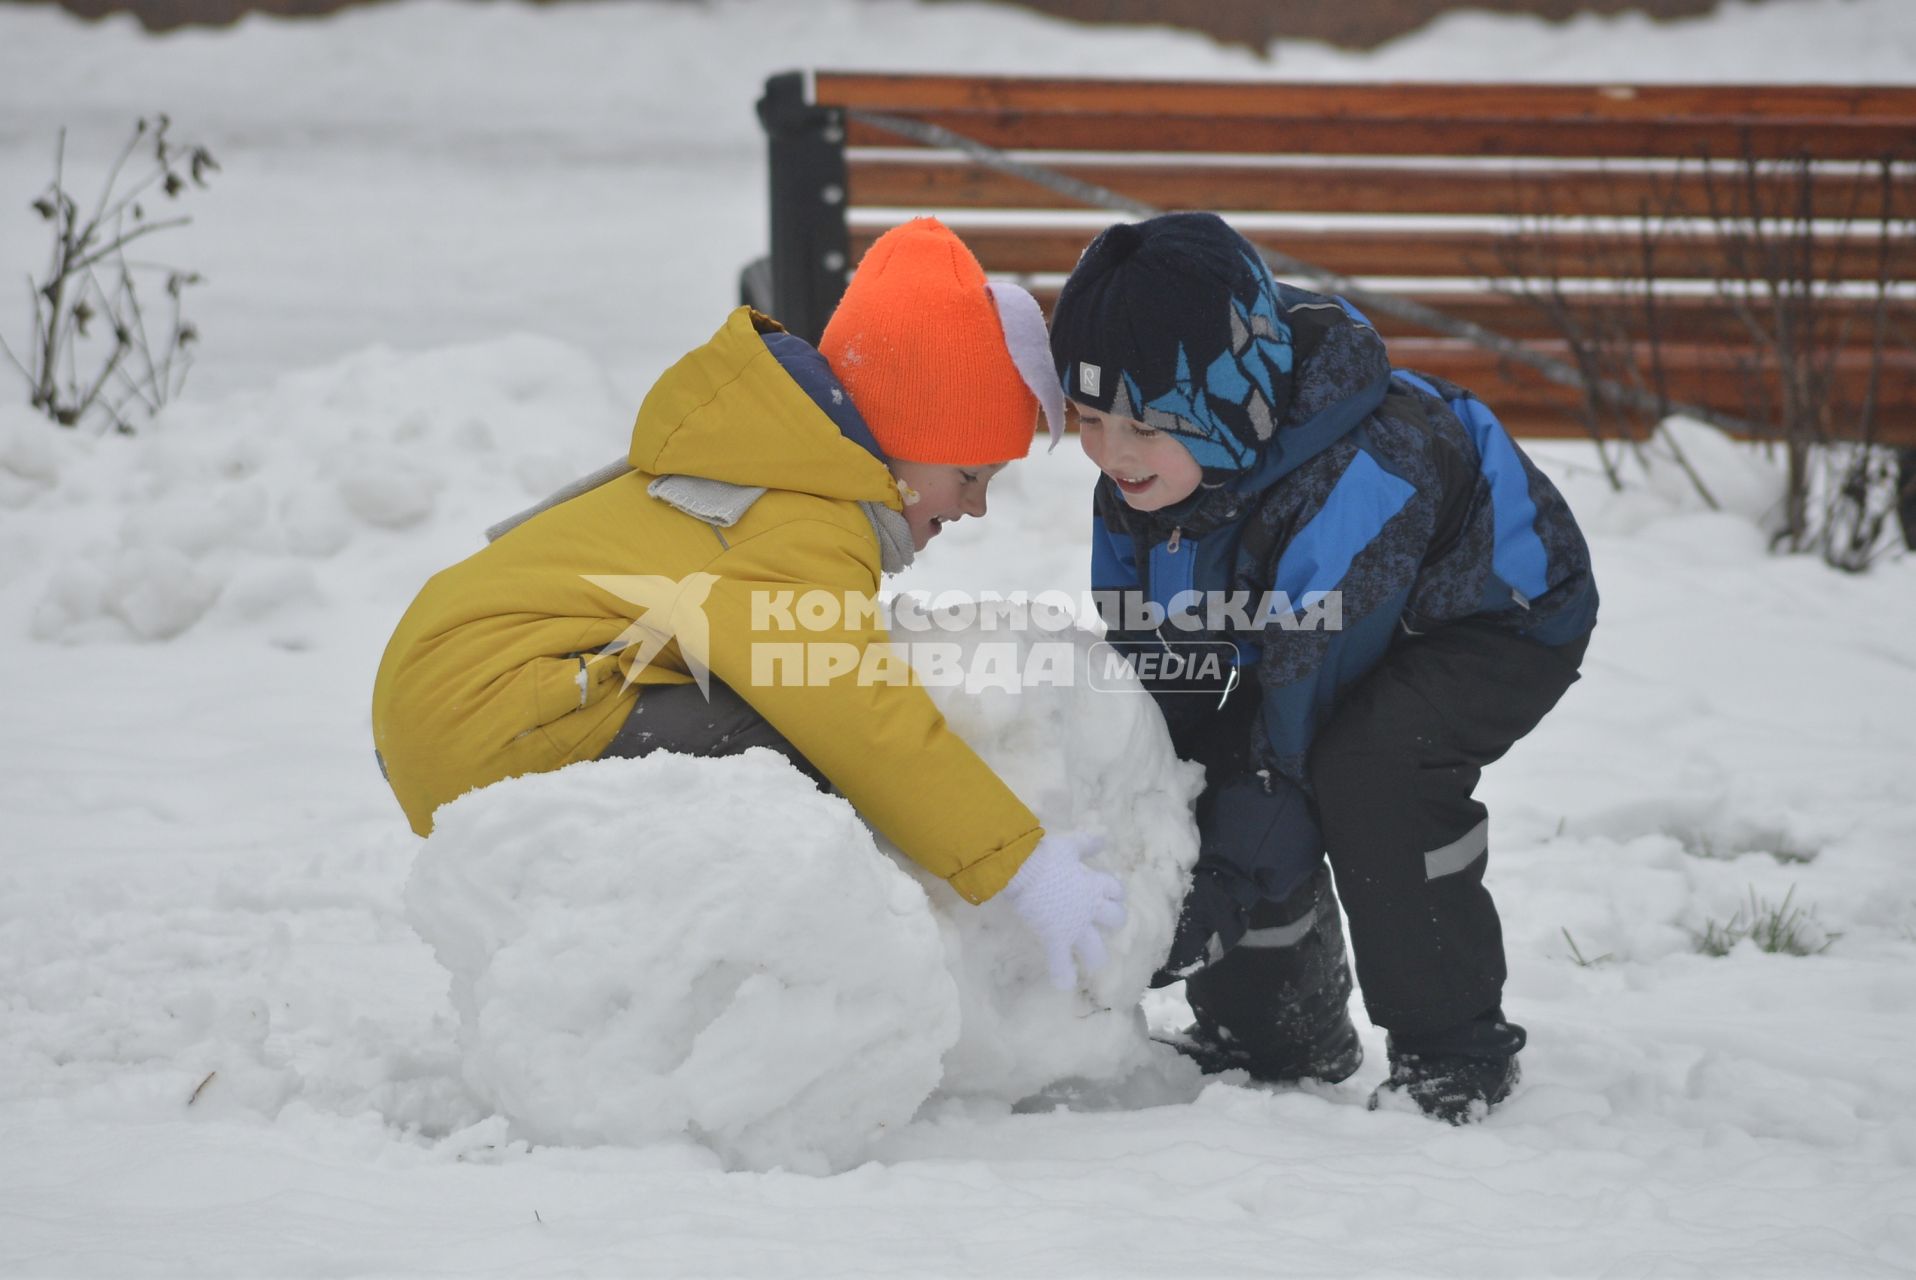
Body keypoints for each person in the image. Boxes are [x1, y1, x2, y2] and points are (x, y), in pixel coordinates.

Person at [372, 217, 1125, 991]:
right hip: (492, 717)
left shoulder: (773, 466)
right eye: (969, 476)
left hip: (471, 703)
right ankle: (773, 982)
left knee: (784, 705)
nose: (976, 508)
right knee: (803, 755)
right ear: (902, 433)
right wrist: (1020, 866)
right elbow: (861, 721)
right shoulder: (802, 522)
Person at [1047, 212, 1598, 1122]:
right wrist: (1139, 803)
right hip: (1310, 628)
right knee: (1214, 763)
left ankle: (1454, 1049)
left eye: (1143, 425)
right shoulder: (1154, 474)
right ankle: (1277, 1035)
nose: (1111, 453)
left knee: (1368, 769)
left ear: (1225, 407)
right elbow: (1154, 671)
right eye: (1090, 418)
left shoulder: (1365, 477)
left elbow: (1301, 722)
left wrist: (1221, 887)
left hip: (1491, 621)